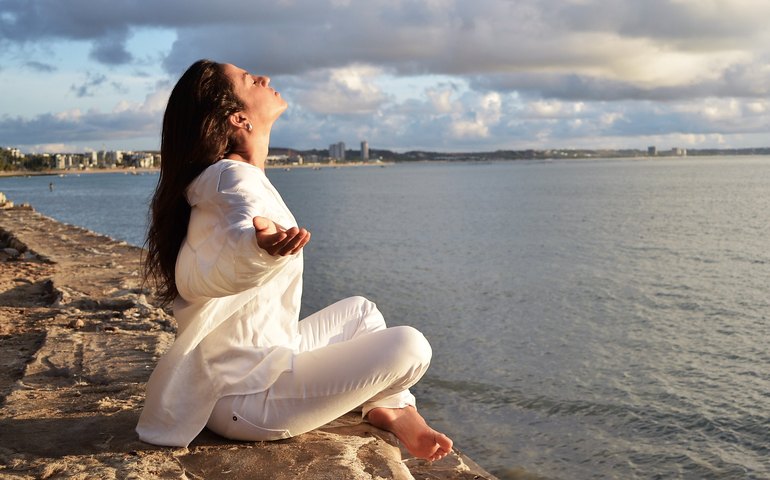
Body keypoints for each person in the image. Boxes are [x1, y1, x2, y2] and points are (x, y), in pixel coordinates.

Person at [136, 59, 453, 462]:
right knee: (411, 345)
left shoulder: (224, 179)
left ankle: (389, 407)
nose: (264, 79)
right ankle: (392, 407)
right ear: (239, 118)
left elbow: (211, 254)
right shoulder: (232, 178)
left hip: (254, 370)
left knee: (360, 313)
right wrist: (255, 248)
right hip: (248, 401)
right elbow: (218, 257)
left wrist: (253, 248)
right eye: (251, 81)